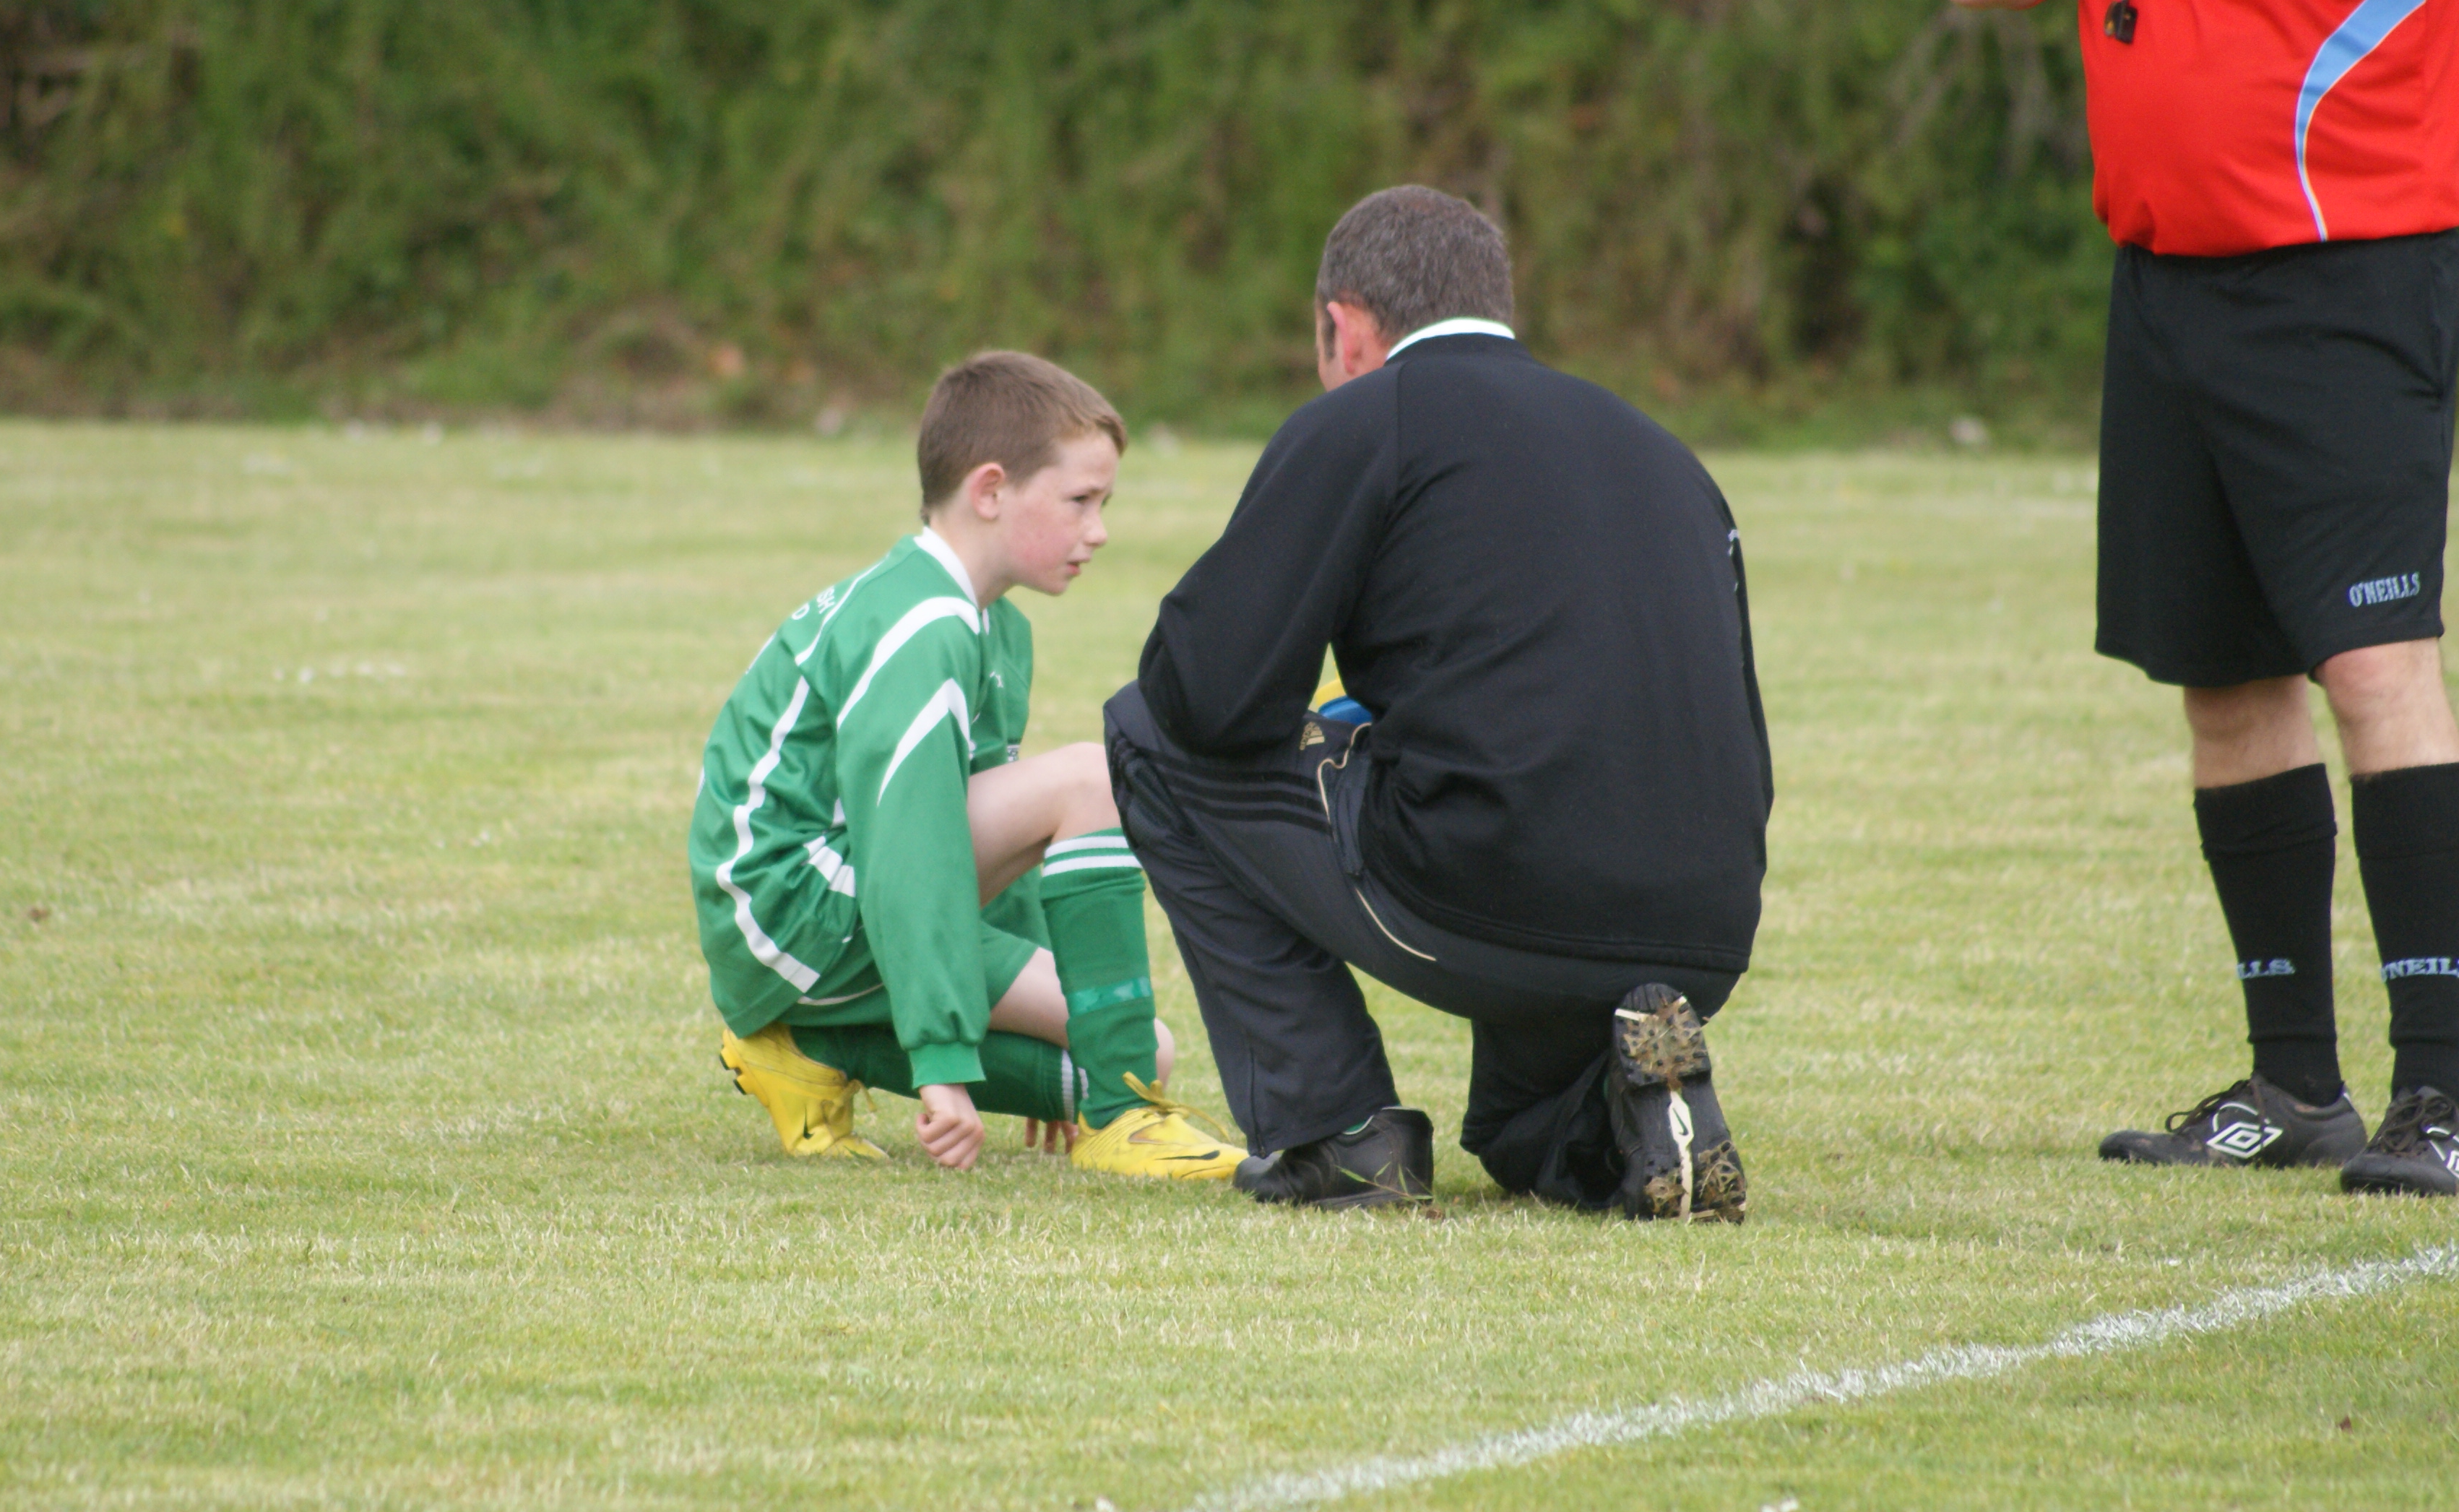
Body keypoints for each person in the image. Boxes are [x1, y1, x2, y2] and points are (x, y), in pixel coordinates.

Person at [1104, 186, 1773, 1217]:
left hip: (1493, 884)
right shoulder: (1667, 454)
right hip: (1704, 924)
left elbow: (1205, 698)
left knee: (1143, 732)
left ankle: (1338, 1132)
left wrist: (1335, 719)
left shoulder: (1368, 419)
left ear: (1343, 327)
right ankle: (1623, 1114)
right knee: (1515, 1137)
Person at [1955, 0, 2459, 1195]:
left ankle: (2435, 1098)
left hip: (2344, 263)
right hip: (2166, 273)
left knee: (2375, 666)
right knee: (2226, 683)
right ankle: (2293, 1087)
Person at [691, 352, 1247, 1180]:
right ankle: (1123, 1124)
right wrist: (942, 1063)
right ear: (989, 491)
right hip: (795, 914)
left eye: (1104, 504)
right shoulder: (922, 626)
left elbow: (991, 838)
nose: (1098, 530)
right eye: (1080, 501)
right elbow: (911, 848)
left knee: (1137, 1050)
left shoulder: (992, 627)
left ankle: (810, 1050)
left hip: (832, 913)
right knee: (1089, 777)